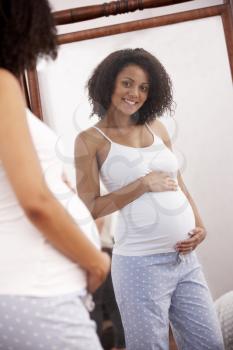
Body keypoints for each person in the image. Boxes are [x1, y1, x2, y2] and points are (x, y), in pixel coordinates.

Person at [75, 48, 225, 350]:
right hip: (140, 265)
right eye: (127, 83)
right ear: (109, 84)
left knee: (209, 343)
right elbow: (90, 206)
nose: (135, 93)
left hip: (185, 259)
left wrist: (199, 225)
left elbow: (177, 181)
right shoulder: (90, 141)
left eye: (144, 87)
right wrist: (141, 185)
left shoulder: (156, 126)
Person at [0, 1, 110, 350]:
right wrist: (96, 264)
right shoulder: (1, 84)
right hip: (39, 290)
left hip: (27, 291)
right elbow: (36, 202)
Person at [91, 213, 125, 350]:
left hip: (98, 249)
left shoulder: (96, 192)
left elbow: (98, 219)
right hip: (109, 249)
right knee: (114, 304)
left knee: (95, 304)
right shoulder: (108, 193)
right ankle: (121, 345)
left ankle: (95, 345)